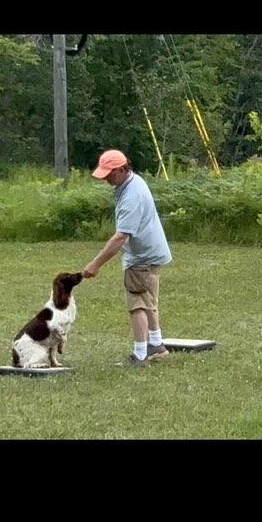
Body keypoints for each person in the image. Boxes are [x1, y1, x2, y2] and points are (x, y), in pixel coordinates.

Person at [83, 150, 173, 367]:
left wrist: (96, 264)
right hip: (152, 251)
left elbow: (121, 237)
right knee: (148, 299)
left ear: (122, 169)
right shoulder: (134, 182)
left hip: (142, 256)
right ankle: (156, 344)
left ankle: (140, 355)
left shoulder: (131, 197)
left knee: (138, 303)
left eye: (109, 174)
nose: (105, 178)